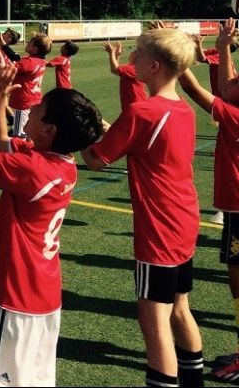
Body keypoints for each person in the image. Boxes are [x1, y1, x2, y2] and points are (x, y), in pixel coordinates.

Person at [0, 55, 103, 387]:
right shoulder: (58, 162)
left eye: (38, 109)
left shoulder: (32, 168)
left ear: (49, 130)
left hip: (13, 291)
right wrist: (2, 97)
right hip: (42, 291)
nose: (31, 108)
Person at [81, 28, 204, 388]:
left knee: (154, 320)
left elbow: (95, 160)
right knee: (180, 309)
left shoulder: (142, 111)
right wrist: (112, 128)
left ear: (154, 66)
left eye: (138, 53)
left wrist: (83, 129)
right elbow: (148, 146)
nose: (132, 58)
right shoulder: (182, 109)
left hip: (159, 227)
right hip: (184, 219)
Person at [178, 18, 239, 382]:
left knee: (238, 277)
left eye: (235, 83)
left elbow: (194, 88)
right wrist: (224, 45)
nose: (229, 82)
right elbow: (226, 84)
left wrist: (172, 54)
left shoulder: (233, 116)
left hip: (238, 206)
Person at [0, 32, 51, 138]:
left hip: (24, 102)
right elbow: (16, 58)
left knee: (19, 136)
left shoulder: (28, 62)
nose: (27, 43)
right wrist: (3, 45)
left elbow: (9, 68)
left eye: (30, 42)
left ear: (35, 48)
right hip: (34, 100)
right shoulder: (40, 61)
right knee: (29, 134)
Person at [104, 40, 148, 109]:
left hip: (136, 105)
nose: (131, 54)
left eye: (133, 53)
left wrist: (111, 53)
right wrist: (117, 55)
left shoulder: (134, 68)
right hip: (134, 104)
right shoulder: (134, 67)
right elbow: (118, 70)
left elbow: (115, 70)